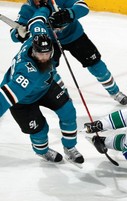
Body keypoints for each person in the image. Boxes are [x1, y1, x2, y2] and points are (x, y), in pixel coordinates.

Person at [10, 0, 127, 105]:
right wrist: (19, 33)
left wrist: (69, 14)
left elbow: (83, 6)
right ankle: (64, 98)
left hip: (75, 36)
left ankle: (115, 92)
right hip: (49, 43)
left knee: (97, 66)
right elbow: (13, 33)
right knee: (48, 71)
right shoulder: (27, 8)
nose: (38, 1)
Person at [0, 33, 84, 164]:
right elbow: (3, 98)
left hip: (45, 87)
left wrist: (22, 33)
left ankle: (69, 147)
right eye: (41, 54)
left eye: (47, 53)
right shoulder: (27, 73)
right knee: (40, 129)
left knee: (68, 111)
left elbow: (38, 26)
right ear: (33, 52)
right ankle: (42, 151)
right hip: (23, 100)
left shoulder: (33, 42)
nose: (44, 57)